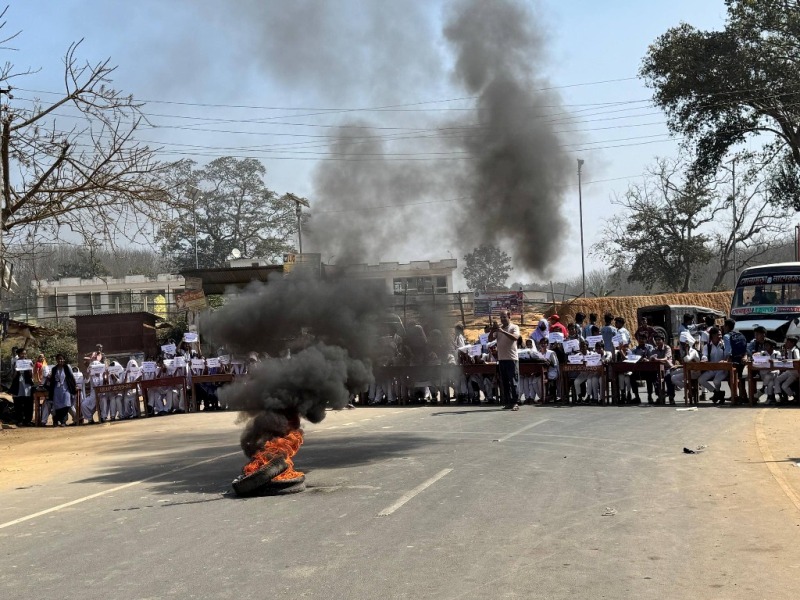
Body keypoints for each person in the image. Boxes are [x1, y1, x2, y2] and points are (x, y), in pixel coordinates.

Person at [490, 309, 521, 411]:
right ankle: (508, 402)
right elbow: (490, 339)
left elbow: (515, 338)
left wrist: (502, 331)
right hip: (502, 359)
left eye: (504, 317)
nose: (502, 319)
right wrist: (493, 330)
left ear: (509, 316)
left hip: (512, 359)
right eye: (501, 317)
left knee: (513, 381)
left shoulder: (514, 327)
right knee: (505, 382)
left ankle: (515, 402)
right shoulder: (499, 329)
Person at [665, 332, 700, 404]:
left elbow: (687, 359)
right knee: (670, 374)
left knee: (674, 377)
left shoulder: (693, 351)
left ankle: (690, 389)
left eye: (684, 344)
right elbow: (686, 364)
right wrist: (678, 366)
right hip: (687, 370)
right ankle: (689, 388)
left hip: (694, 372)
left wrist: (687, 350)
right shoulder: (684, 351)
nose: (682, 345)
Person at [699, 327, 730, 403]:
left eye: (720, 335)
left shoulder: (724, 345)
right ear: (712, 335)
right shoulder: (708, 346)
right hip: (712, 369)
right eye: (718, 335)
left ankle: (718, 394)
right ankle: (717, 393)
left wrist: (725, 361)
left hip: (722, 369)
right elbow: (704, 355)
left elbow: (728, 355)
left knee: (716, 380)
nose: (720, 337)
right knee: (701, 380)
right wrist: (704, 359)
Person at [48, 354, 77, 427]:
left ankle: (63, 421)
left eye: (61, 359)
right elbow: (52, 380)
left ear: (64, 360)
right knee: (57, 406)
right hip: (57, 389)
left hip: (66, 388)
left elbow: (71, 377)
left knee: (66, 405)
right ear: (56, 360)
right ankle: (56, 421)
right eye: (58, 359)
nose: (60, 360)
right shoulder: (54, 369)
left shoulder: (67, 367)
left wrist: (75, 386)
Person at [11, 349, 34, 426]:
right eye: (22, 354)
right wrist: (16, 369)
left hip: (27, 386)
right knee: (18, 404)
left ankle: (28, 420)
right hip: (18, 385)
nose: (23, 355)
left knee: (28, 404)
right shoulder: (15, 362)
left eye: (24, 354)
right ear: (18, 354)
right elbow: (13, 376)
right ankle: (19, 420)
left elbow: (31, 376)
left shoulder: (28, 362)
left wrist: (31, 369)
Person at [648, 332, 673, 404]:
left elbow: (665, 359)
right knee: (654, 378)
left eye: (659, 340)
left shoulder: (667, 348)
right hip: (658, 369)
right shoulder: (654, 349)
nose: (657, 341)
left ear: (663, 340)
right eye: (656, 340)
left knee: (668, 377)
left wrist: (657, 360)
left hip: (667, 368)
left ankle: (671, 397)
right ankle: (660, 396)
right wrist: (650, 359)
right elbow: (651, 358)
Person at [630, 333, 655, 403]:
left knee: (650, 377)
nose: (641, 340)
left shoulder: (650, 347)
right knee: (631, 377)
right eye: (640, 339)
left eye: (643, 339)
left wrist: (647, 359)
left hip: (648, 369)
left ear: (646, 339)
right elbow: (632, 357)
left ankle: (650, 396)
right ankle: (637, 396)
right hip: (638, 370)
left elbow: (652, 356)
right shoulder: (635, 349)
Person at [776, 335, 800, 403]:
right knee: (777, 380)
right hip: (789, 371)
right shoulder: (789, 351)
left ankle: (794, 396)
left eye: (788, 342)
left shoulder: (795, 350)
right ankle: (781, 397)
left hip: (795, 372)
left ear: (792, 343)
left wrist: (788, 361)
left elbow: (798, 360)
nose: (786, 344)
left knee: (784, 386)